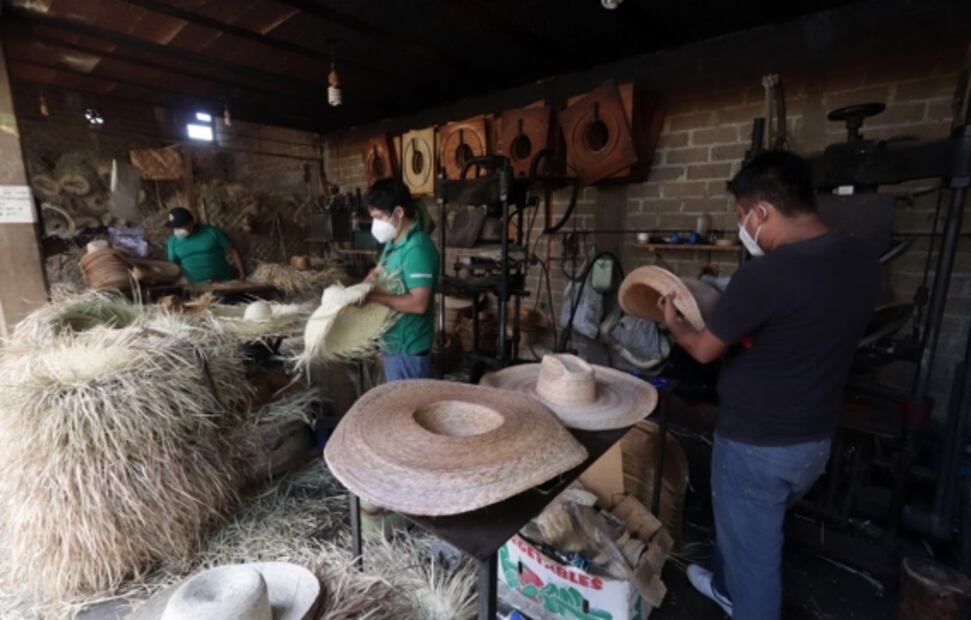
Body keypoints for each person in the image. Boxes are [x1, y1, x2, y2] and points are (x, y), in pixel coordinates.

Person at [658, 151, 880, 619]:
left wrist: (675, 324)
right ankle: (723, 586)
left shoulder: (767, 274)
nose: (744, 228)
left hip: (755, 446)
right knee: (741, 531)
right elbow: (797, 322)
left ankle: (747, 603)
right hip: (814, 441)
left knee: (756, 561)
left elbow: (702, 349)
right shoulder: (860, 258)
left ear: (761, 212)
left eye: (742, 217)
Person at [362, 179, 440, 381]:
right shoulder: (394, 242)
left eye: (379, 217)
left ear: (398, 212)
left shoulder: (417, 249)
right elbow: (378, 271)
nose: (375, 224)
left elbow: (419, 303)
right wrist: (359, 289)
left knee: (406, 407)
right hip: (392, 342)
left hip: (409, 349)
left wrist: (373, 297)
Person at [165, 207, 246, 283]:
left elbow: (232, 250)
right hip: (196, 288)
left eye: (180, 226)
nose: (177, 230)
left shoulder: (211, 232)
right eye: (174, 227)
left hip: (223, 283)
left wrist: (242, 274)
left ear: (190, 223)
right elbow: (173, 266)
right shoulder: (172, 241)